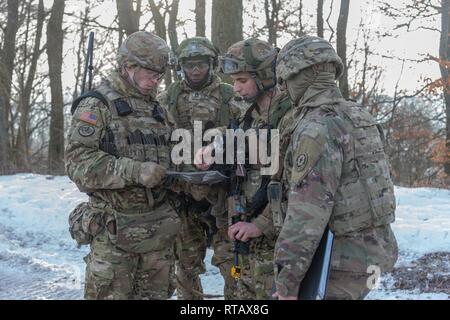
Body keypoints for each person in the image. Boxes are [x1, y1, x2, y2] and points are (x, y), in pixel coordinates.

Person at [66, 31, 199, 299]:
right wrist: (135, 171)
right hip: (116, 236)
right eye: (151, 73)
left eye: (160, 75)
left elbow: (172, 154)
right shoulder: (97, 104)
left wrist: (192, 167)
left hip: (157, 236)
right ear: (128, 66)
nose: (156, 80)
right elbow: (77, 162)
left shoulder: (158, 110)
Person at [271, 35, 398, 300]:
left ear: (300, 76)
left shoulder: (316, 128)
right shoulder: (359, 115)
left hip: (339, 263)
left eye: (285, 80)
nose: (283, 89)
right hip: (374, 253)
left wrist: (286, 283)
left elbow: (307, 213)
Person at [198, 38, 292, 299]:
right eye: (233, 81)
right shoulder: (248, 115)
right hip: (244, 237)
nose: (235, 88)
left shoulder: (291, 117)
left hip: (277, 242)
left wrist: (261, 225)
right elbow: (234, 138)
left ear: (264, 76)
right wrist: (212, 149)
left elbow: (305, 192)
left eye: (242, 80)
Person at [158, 37, 245, 300]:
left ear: (212, 64)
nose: (195, 70)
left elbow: (249, 130)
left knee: (231, 259)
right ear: (181, 66)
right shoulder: (168, 97)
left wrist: (222, 137)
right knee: (184, 259)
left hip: (222, 190)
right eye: (190, 65)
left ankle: (236, 299)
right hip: (182, 190)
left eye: (201, 64)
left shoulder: (230, 95)